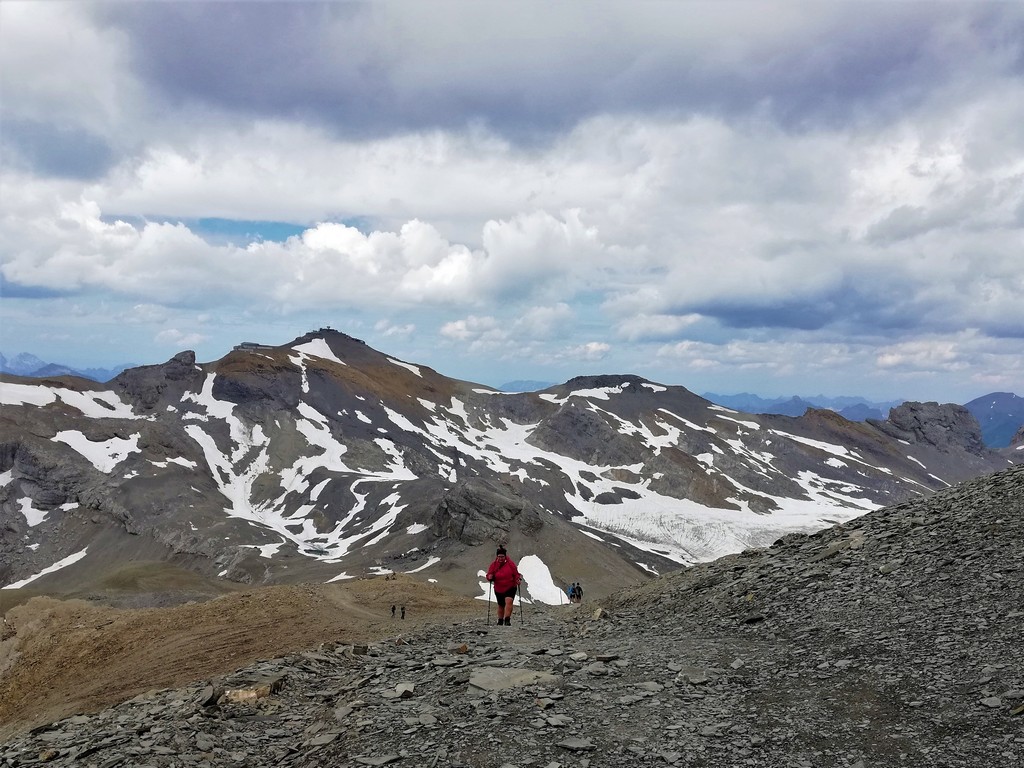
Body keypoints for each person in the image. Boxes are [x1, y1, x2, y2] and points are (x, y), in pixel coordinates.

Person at [485, 546, 522, 626]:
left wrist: (518, 579)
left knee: (509, 601)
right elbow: (489, 575)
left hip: (510, 586)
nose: (500, 558)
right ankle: (500, 620)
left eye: (502, 556)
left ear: (505, 556)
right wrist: (490, 577)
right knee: (501, 605)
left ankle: (507, 620)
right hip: (499, 588)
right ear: (497, 556)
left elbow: (516, 574)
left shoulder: (510, 564)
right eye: (499, 556)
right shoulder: (494, 565)